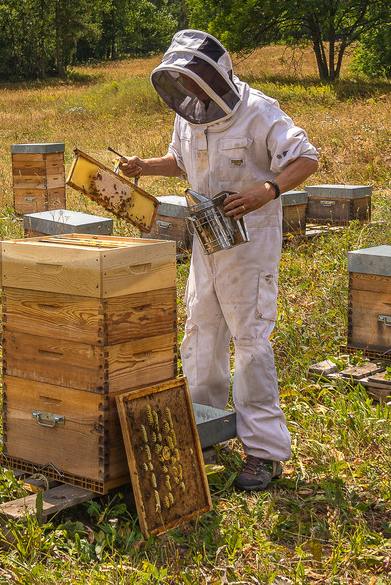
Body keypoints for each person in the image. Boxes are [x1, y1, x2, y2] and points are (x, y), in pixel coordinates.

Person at [119, 30, 318, 492]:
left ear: (216, 76)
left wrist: (267, 190)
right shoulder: (190, 116)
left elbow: (306, 158)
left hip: (250, 244)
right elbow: (180, 160)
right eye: (183, 83)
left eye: (197, 81)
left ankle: (264, 453)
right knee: (201, 333)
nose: (190, 91)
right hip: (207, 239)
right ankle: (205, 431)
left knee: (249, 341)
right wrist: (143, 166)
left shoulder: (260, 112)